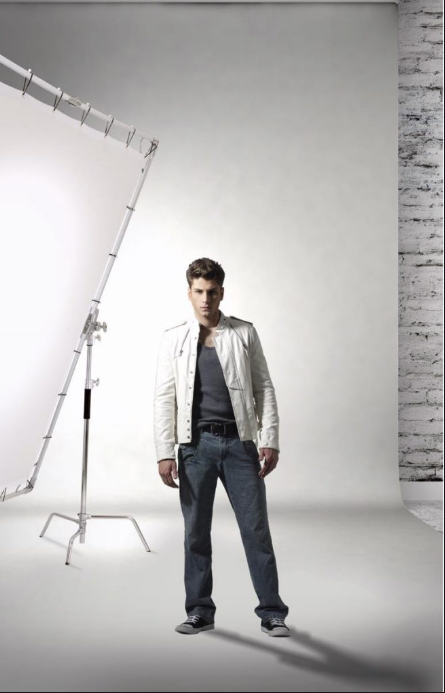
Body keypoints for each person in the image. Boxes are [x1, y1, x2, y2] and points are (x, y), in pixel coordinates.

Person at [153, 257, 290, 637]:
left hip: (240, 444)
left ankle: (272, 612)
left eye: (212, 292)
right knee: (195, 534)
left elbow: (264, 388)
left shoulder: (244, 333)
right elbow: (164, 398)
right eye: (199, 291)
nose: (205, 299)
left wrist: (270, 439)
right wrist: (164, 451)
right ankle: (199, 611)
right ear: (189, 293)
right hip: (194, 448)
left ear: (222, 292)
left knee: (256, 531)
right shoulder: (174, 338)